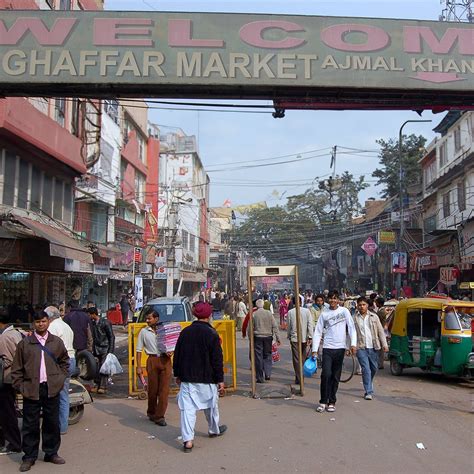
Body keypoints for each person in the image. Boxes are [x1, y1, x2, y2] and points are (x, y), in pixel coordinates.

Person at [11, 311, 69, 472]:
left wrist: (60, 379)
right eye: (38, 322)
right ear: (34, 323)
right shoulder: (25, 343)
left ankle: (51, 453)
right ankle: (29, 456)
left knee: (52, 422)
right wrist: (21, 386)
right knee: (30, 424)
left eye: (43, 321)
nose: (41, 324)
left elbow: (65, 362)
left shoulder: (56, 342)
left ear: (48, 322)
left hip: (51, 388)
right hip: (31, 388)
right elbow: (17, 368)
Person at [173, 302, 227, 453]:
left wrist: (177, 373)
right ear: (209, 316)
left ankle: (188, 440)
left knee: (187, 411)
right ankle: (213, 429)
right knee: (211, 406)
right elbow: (217, 359)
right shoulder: (212, 334)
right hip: (207, 378)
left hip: (188, 377)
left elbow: (177, 355)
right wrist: (220, 379)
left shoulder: (185, 332)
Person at [312, 290, 357, 413]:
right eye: (330, 298)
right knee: (326, 374)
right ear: (328, 300)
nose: (333, 300)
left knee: (335, 376)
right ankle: (322, 401)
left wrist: (352, 344)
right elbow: (318, 332)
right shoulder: (324, 314)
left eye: (335, 298)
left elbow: (351, 328)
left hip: (340, 348)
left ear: (338, 300)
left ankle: (332, 401)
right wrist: (314, 350)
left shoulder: (344, 311)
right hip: (327, 348)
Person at [136, 309, 171, 426]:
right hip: (152, 360)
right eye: (146, 318)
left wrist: (171, 352)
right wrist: (139, 366)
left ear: (156, 319)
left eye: (149, 318)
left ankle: (160, 416)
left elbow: (172, 344)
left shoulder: (165, 330)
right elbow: (139, 350)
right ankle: (151, 412)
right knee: (153, 390)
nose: (147, 321)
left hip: (165, 360)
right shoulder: (143, 332)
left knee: (164, 390)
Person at [44, 306, 75, 435]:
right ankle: (62, 426)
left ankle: (57, 427)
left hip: (60, 361)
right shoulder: (66, 326)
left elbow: (48, 347)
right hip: (71, 359)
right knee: (64, 395)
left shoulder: (52, 327)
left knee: (55, 395)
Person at [352, 297, 388, 400]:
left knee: (374, 368)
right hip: (361, 347)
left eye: (363, 304)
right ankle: (368, 391)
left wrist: (385, 345)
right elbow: (351, 333)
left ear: (367, 305)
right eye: (360, 305)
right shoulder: (354, 318)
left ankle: (369, 381)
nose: (361, 307)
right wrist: (350, 346)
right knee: (366, 369)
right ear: (357, 306)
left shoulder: (374, 317)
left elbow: (380, 331)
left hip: (374, 347)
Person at [0, 309, 23, 455]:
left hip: (6, 379)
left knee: (7, 412)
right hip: (13, 378)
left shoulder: (4, 337)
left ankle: (14, 444)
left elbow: (6, 360)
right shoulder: (16, 333)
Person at [287, 297, 314, 385]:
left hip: (295, 338)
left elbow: (289, 326)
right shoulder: (306, 311)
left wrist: (288, 335)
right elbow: (310, 324)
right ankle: (299, 375)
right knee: (302, 357)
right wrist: (310, 336)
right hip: (304, 338)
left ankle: (299, 377)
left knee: (296, 359)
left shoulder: (290, 312)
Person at [87, 307, 115, 394]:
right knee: (96, 368)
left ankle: (103, 386)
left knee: (104, 368)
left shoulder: (105, 322)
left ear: (93, 314)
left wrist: (110, 350)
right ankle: (97, 384)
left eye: (89, 314)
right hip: (96, 349)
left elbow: (111, 336)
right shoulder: (92, 323)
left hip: (104, 348)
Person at [253, 299, 280, 383]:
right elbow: (275, 326)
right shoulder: (269, 313)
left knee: (258, 357)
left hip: (258, 337)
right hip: (268, 337)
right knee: (267, 355)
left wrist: (250, 338)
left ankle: (260, 377)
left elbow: (250, 328)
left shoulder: (254, 314)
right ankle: (268, 374)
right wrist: (278, 337)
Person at [375, 297, 387, 369]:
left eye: (376, 302)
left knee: (380, 348)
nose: (375, 304)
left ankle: (380, 363)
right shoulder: (380, 310)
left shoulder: (381, 312)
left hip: (380, 330)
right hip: (380, 330)